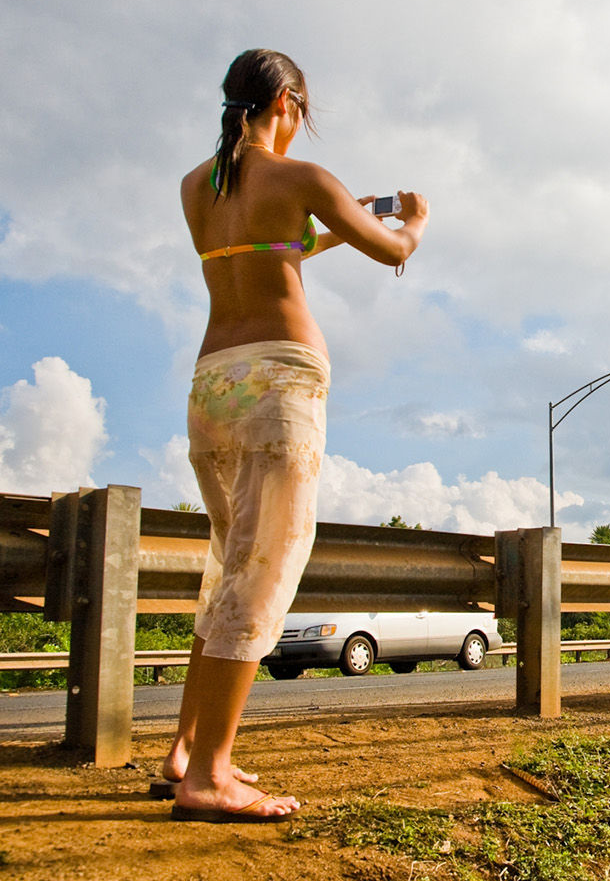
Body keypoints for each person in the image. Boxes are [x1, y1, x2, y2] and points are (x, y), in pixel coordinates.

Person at [165, 49, 429, 823]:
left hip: (213, 382)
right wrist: (411, 220)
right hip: (280, 379)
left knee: (228, 568)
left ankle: (185, 751)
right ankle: (208, 776)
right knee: (265, 568)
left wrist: (345, 221)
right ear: (286, 101)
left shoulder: (197, 186)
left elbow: (277, 248)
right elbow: (396, 253)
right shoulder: (306, 179)